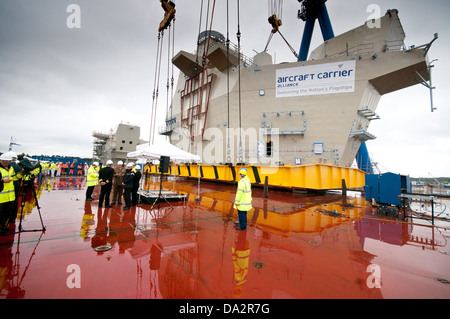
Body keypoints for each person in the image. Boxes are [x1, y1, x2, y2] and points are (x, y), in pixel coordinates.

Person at [0, 152, 23, 234]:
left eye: (8, 161)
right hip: (1, 197)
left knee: (7, 214)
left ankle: (4, 227)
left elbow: (13, 178)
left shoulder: (11, 168)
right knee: (1, 214)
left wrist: (20, 175)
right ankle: (1, 229)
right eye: (5, 161)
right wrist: (2, 181)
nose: (7, 162)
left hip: (10, 196)